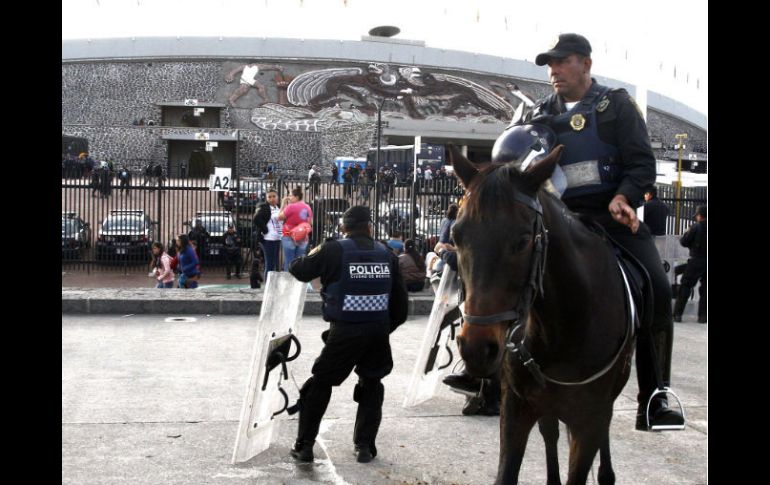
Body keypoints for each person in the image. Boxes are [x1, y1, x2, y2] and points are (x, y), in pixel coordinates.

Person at [507, 33, 684, 430]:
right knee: (499, 273)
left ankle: (654, 397)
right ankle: (487, 379)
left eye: (561, 62)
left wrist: (624, 197)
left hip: (611, 219)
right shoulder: (538, 113)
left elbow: (641, 163)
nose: (553, 71)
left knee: (656, 289)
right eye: (549, 65)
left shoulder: (616, 106)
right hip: (556, 221)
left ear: (585, 64)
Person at [287, 206, 408, 464]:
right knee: (372, 385)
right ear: (369, 227)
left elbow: (299, 269)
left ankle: (304, 446)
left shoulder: (333, 249)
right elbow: (401, 305)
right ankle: (364, 447)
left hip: (344, 331)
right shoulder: (387, 253)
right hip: (377, 331)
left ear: (344, 227)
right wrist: (383, 327)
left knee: (320, 383)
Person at [673, 205, 707, 323]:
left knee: (686, 286)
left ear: (699, 215)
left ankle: (677, 314)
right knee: (705, 290)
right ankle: (703, 317)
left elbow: (684, 241)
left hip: (696, 260)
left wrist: (687, 233)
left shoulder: (696, 226)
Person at [277, 187, 313, 271]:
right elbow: (310, 223)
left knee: (289, 261)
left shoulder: (291, 207)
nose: (289, 198)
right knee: (300, 261)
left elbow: (279, 217)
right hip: (303, 236)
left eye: (291, 196)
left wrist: (283, 204)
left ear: (296, 197)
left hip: (288, 234)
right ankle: (298, 281)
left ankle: (288, 281)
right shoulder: (307, 207)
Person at [253, 188, 283, 278]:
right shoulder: (264, 207)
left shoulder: (278, 207)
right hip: (268, 239)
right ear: (266, 198)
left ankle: (272, 285)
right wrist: (265, 229)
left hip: (277, 238)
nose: (272, 199)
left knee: (275, 262)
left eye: (274, 196)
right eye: (269, 197)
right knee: (269, 263)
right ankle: (267, 286)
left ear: (278, 197)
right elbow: (256, 218)